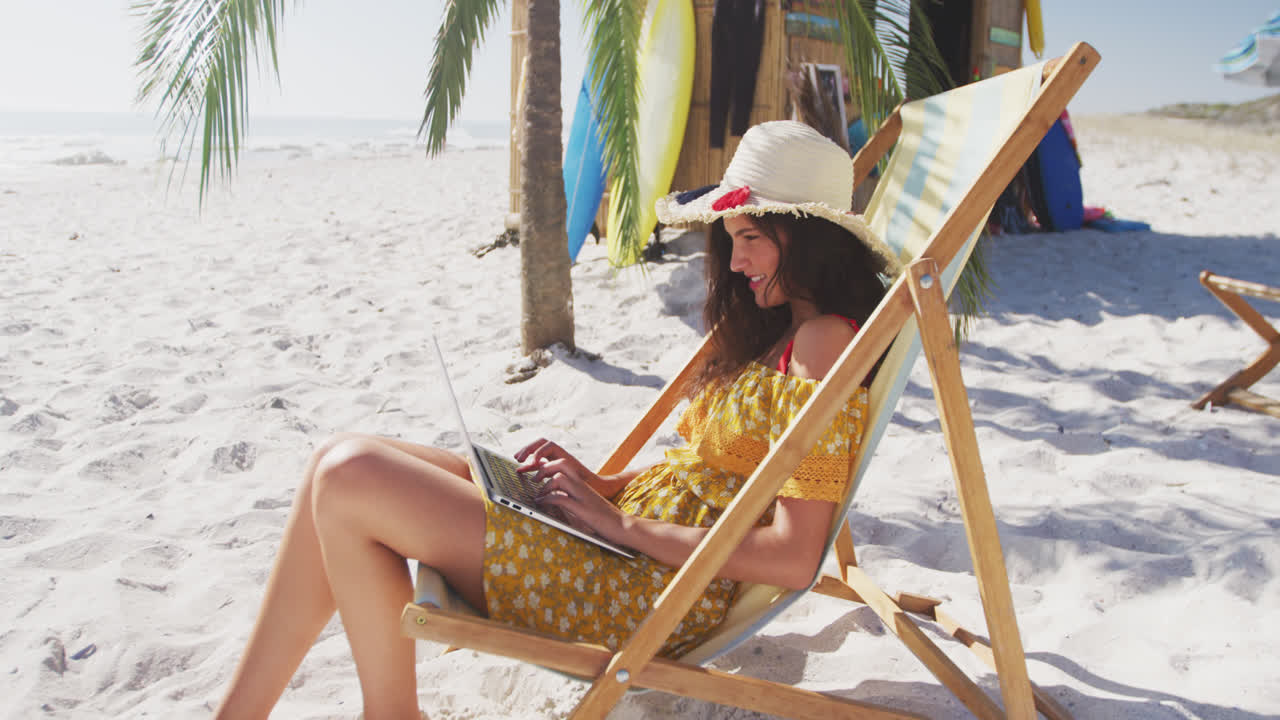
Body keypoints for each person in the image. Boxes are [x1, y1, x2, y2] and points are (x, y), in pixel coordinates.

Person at [213, 120, 902, 720]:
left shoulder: (823, 346)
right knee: (331, 464)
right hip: (617, 551)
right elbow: (711, 476)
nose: (737, 260)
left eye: (751, 237)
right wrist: (599, 486)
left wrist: (618, 524)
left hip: (637, 594)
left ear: (806, 236)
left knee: (349, 477)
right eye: (731, 239)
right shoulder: (784, 333)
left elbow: (793, 554)